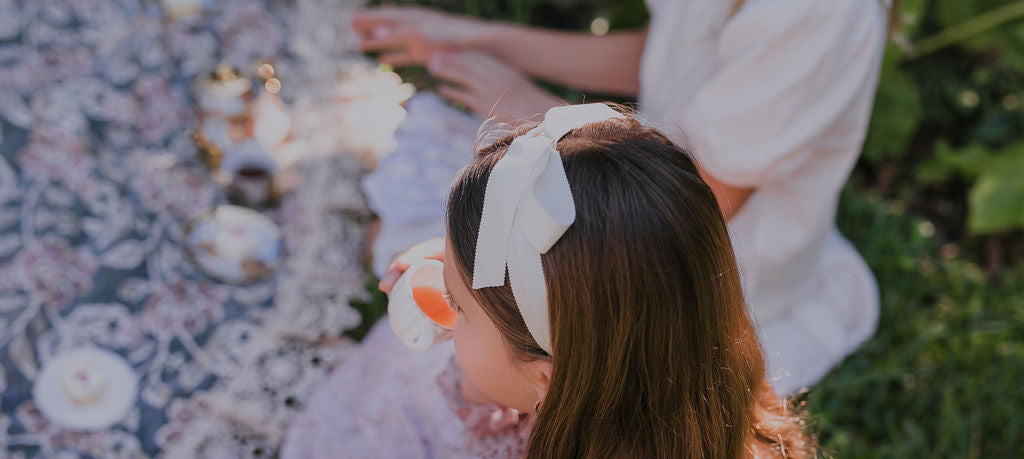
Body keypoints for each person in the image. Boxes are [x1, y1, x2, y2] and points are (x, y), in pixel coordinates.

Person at [13, 106, 812, 459]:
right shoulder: (723, 408)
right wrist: (475, 276)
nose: (438, 307)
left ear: (551, 374)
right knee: (409, 371)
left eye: (458, 307)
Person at [355, 0, 895, 395]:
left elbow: (694, 202)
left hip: (678, 247)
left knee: (456, 346)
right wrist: (476, 38)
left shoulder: (819, 14)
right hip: (634, 172)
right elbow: (658, 54)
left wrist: (538, 113)